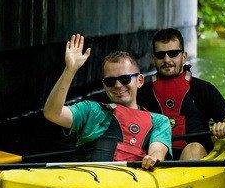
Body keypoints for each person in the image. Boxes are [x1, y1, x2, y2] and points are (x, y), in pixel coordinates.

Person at [43, 34, 171, 170]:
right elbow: (52, 113)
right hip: (89, 184)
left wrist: (152, 158)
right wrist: (70, 70)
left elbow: (157, 151)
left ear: (139, 80)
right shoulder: (91, 110)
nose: (117, 85)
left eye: (125, 79)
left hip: (133, 186)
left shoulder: (159, 121)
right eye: (110, 81)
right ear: (104, 86)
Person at [137, 28, 225, 160]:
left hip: (195, 159)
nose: (167, 60)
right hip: (152, 160)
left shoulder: (203, 89)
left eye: (173, 53)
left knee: (193, 149)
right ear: (153, 59)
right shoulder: (142, 92)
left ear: (184, 56)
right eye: (160, 55)